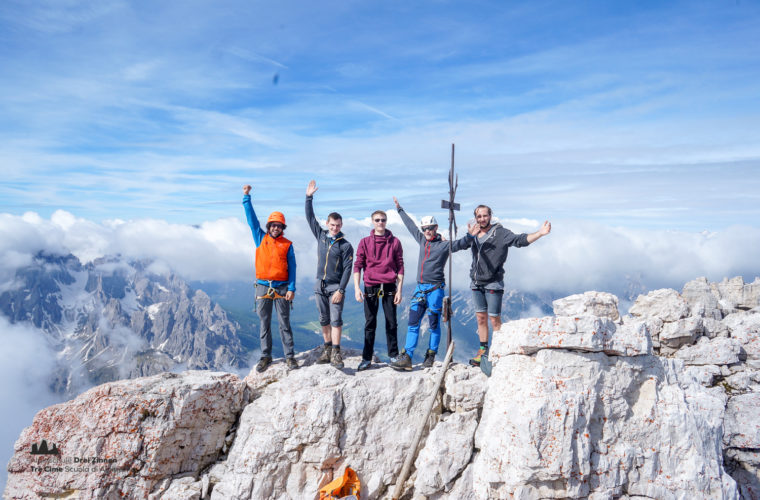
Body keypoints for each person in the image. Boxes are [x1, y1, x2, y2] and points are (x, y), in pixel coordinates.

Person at [391, 196, 475, 371]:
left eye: (430, 228)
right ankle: (407, 356)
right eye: (425, 229)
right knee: (413, 323)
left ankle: (430, 354)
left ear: (436, 228)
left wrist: (470, 236)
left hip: (435, 289)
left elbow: (460, 244)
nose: (427, 231)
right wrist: (400, 209)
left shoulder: (443, 245)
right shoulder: (422, 240)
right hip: (421, 287)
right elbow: (410, 226)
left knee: (433, 323)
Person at [467, 205, 551, 366]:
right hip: (476, 282)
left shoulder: (501, 233)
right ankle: (482, 352)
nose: (482, 219)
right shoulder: (474, 233)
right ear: (475, 218)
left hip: (493, 282)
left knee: (494, 320)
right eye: (479, 216)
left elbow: (520, 240)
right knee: (480, 318)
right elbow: (461, 244)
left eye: (485, 216)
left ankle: (498, 351)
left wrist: (540, 233)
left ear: (490, 216)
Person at [242, 184, 297, 373]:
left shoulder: (287, 244)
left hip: (281, 288)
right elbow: (251, 220)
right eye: (273, 225)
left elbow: (293, 267)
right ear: (269, 226)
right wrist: (246, 197)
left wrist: (292, 288)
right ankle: (266, 356)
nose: (275, 228)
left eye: (279, 225)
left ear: (282, 227)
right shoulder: (260, 238)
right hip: (263, 287)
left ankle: (290, 356)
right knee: (264, 324)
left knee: (284, 323)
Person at [306, 180, 354, 370]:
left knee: (336, 320)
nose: (335, 228)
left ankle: (336, 351)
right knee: (323, 319)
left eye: (338, 225)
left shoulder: (345, 245)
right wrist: (308, 198)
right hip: (320, 285)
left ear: (341, 225)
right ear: (327, 224)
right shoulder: (321, 236)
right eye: (332, 224)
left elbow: (348, 269)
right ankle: (327, 349)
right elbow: (310, 218)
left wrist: (341, 290)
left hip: (335, 287)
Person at [353, 210, 404, 371]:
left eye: (383, 220)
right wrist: (356, 288)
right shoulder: (365, 242)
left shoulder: (395, 242)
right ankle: (366, 358)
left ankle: (394, 356)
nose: (380, 223)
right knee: (370, 323)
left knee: (392, 323)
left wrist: (400, 290)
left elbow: (400, 266)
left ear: (386, 221)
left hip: (389, 285)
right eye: (377, 220)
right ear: (372, 222)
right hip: (371, 285)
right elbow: (358, 265)